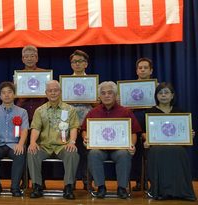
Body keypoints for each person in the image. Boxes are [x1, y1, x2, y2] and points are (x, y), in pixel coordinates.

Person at [81, 81, 141, 199]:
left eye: (110, 93)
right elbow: (84, 129)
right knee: (93, 154)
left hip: (119, 149)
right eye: (103, 93)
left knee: (124, 154)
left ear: (115, 95)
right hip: (100, 149)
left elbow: (134, 132)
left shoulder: (125, 112)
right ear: (99, 96)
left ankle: (122, 188)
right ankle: (101, 187)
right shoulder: (93, 112)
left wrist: (132, 144)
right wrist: (85, 137)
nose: (106, 95)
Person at [27, 80, 79, 200]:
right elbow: (35, 128)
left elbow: (74, 128)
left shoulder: (70, 109)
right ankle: (37, 186)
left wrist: (72, 142)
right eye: (50, 91)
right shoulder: (40, 110)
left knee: (72, 153)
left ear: (60, 92)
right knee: (31, 152)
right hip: (44, 146)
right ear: (46, 93)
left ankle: (68, 187)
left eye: (55, 90)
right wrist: (33, 142)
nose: (53, 93)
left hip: (63, 146)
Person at [144, 83, 196, 201]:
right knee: (157, 151)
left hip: (176, 146)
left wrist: (190, 134)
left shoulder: (180, 112)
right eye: (160, 93)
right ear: (156, 96)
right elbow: (144, 132)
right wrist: (147, 138)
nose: (163, 95)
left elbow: (185, 132)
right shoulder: (150, 112)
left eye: (166, 93)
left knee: (180, 152)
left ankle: (181, 191)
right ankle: (159, 191)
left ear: (172, 95)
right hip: (156, 146)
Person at [0, 82, 29, 197]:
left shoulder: (22, 112)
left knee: (20, 153)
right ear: (0, 96)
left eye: (9, 92)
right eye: (3, 93)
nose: (7, 95)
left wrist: (21, 144)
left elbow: (25, 130)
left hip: (14, 144)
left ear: (14, 95)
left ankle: (15, 187)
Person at [68, 50, 94, 190]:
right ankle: (70, 181)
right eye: (74, 62)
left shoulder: (92, 82)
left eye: (80, 61)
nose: (77, 64)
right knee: (70, 152)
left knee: (87, 152)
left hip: (87, 122)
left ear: (86, 64)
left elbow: (96, 104)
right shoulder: (65, 82)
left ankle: (87, 180)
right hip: (69, 123)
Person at [131, 57, 154, 191]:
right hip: (135, 119)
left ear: (151, 70)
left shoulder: (157, 87)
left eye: (145, 67)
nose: (143, 70)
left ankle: (151, 180)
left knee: (149, 152)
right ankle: (139, 181)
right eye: (140, 68)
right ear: (136, 71)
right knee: (136, 152)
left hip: (151, 119)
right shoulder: (129, 88)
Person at [15, 45, 47, 123]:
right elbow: (13, 96)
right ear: (22, 59)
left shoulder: (44, 74)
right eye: (26, 57)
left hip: (41, 112)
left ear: (37, 58)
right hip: (22, 112)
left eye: (32, 56)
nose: (29, 59)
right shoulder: (18, 76)